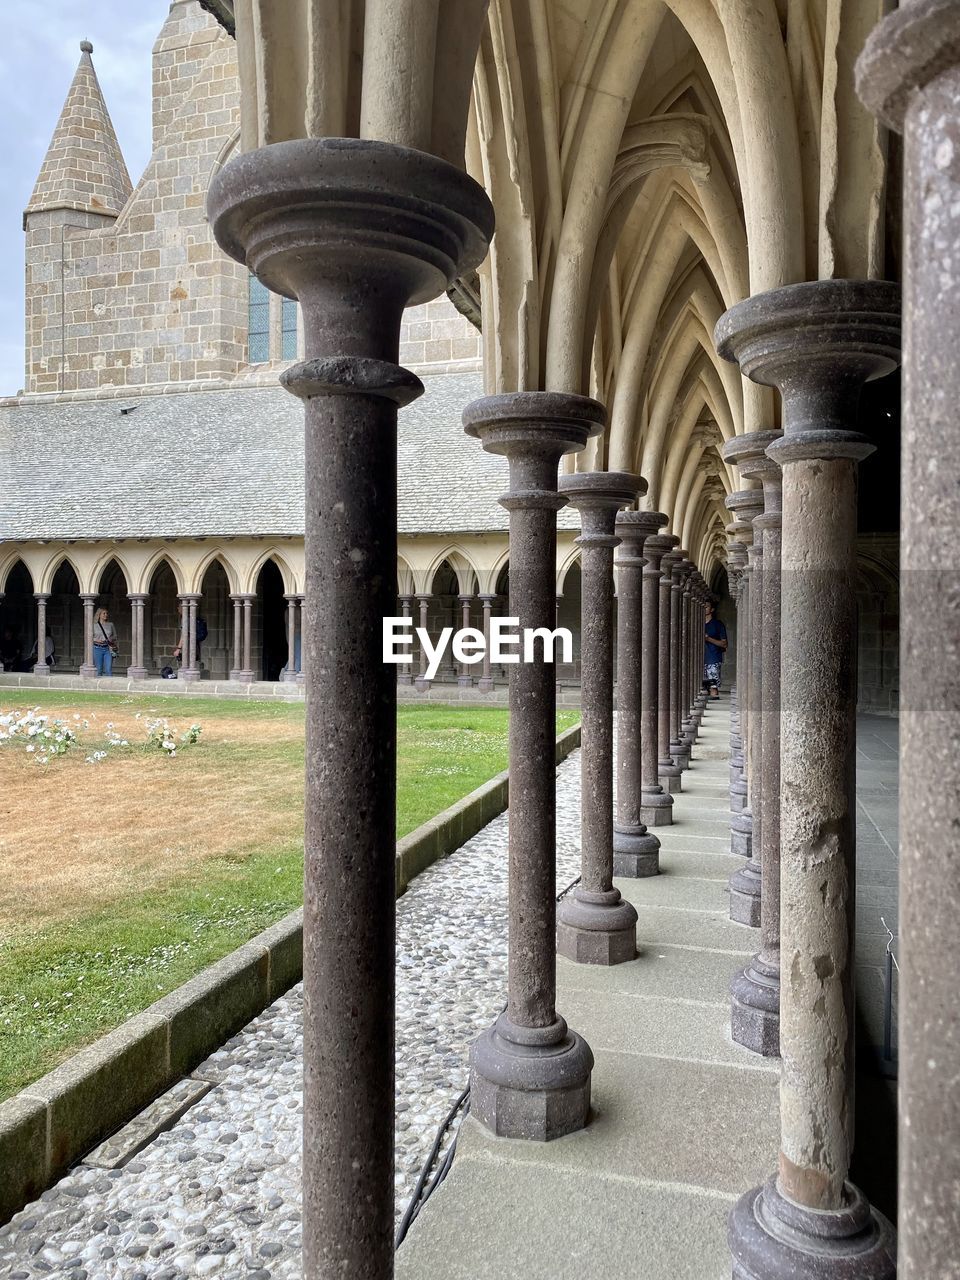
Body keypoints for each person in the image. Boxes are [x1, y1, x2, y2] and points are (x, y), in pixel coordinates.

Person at [703, 600, 727, 699]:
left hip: (713, 659)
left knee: (713, 687)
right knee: (701, 688)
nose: (704, 608)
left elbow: (724, 644)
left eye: (707, 606)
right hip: (698, 659)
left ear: (712, 609)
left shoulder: (718, 624)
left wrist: (708, 639)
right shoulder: (696, 623)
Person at [93, 607, 117, 676]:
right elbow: (89, 637)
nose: (106, 615)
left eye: (106, 613)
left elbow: (115, 636)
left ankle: (109, 685)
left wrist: (110, 639)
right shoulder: (94, 625)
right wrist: (96, 640)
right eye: (104, 613)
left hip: (108, 649)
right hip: (97, 649)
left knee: (108, 670)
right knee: (99, 670)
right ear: (99, 615)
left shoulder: (110, 624)